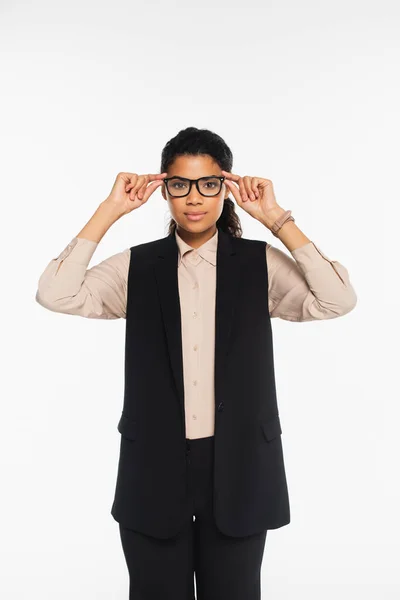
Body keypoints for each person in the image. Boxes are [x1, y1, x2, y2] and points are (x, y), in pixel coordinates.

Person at [35, 127, 357, 600]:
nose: (194, 198)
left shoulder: (258, 264)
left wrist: (276, 218)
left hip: (240, 464)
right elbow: (55, 293)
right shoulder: (137, 267)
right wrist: (109, 212)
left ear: (226, 188)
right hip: (154, 464)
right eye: (180, 185)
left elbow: (337, 300)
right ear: (164, 189)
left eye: (208, 184)